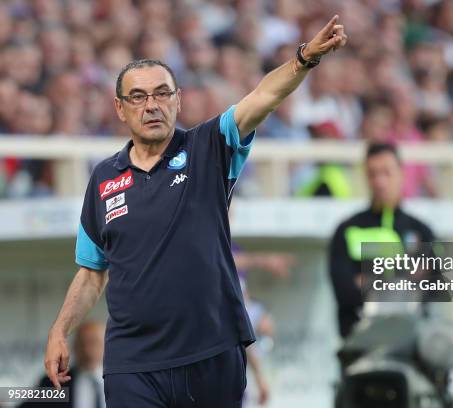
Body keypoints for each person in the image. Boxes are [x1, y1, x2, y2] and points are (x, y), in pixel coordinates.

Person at [44, 16, 347, 408]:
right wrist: (59, 330)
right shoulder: (103, 178)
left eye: (162, 93)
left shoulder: (208, 148)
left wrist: (304, 58)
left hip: (212, 353)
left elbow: (261, 98)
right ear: (120, 108)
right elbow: (91, 271)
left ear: (178, 99)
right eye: (138, 96)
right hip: (132, 363)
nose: (151, 104)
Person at [328, 143, 435, 339]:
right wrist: (405, 276)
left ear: (402, 174)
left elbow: (435, 287)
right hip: (360, 340)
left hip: (412, 338)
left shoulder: (422, 231)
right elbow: (344, 293)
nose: (379, 181)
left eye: (387, 173)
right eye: (372, 174)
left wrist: (366, 280)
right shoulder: (347, 230)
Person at [21, 321, 105, 408]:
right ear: (74, 347)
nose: (87, 349)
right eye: (82, 343)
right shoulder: (54, 383)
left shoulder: (118, 382)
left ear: (106, 345)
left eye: (94, 342)